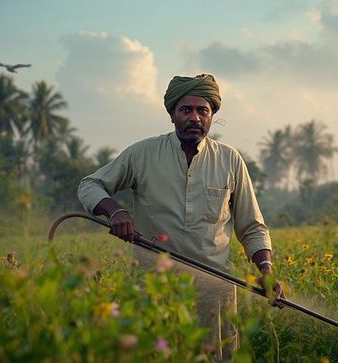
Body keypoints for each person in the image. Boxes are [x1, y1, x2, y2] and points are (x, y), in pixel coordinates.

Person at [78, 74, 284, 359]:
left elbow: (252, 227)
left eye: (203, 110)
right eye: (186, 110)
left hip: (214, 295)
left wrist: (266, 271)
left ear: (212, 116)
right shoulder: (142, 154)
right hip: (154, 290)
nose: (195, 117)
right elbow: (90, 185)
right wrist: (116, 211)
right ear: (172, 114)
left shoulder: (230, 159)